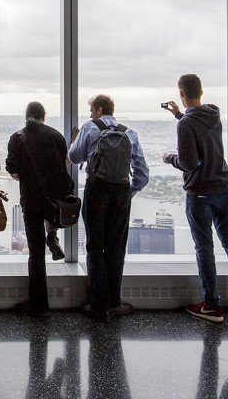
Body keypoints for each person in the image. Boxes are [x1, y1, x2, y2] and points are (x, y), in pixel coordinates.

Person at [161, 74, 228, 322]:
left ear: (181, 93)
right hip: (223, 187)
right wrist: (178, 114)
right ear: (201, 91)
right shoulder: (213, 116)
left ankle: (212, 305)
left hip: (200, 192)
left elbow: (188, 162)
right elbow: (199, 129)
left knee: (204, 248)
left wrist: (169, 158)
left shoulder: (186, 124)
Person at [68, 94, 148, 322]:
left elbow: (73, 156)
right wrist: (128, 192)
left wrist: (75, 141)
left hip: (96, 190)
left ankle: (97, 305)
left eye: (91, 110)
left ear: (99, 109)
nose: (90, 114)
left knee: (94, 245)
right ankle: (115, 302)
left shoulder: (90, 128)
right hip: (120, 193)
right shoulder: (128, 132)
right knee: (116, 247)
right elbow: (142, 173)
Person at [5, 101, 73, 314]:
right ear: (44, 116)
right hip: (55, 201)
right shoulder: (56, 135)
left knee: (36, 253)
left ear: (26, 116)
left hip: (32, 200)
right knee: (50, 220)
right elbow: (65, 163)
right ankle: (52, 234)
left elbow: (13, 172)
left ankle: (39, 304)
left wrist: (28, 177)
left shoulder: (17, 138)